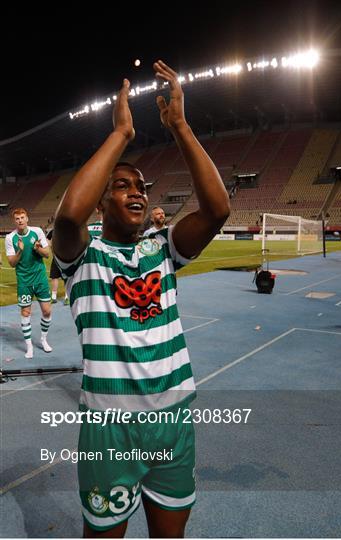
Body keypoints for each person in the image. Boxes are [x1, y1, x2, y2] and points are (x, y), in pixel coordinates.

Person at [53, 60, 230, 538]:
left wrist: (179, 126)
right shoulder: (82, 256)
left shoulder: (162, 248)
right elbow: (68, 219)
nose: (136, 192)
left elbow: (217, 209)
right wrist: (121, 135)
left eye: (141, 187)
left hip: (173, 424)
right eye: (122, 185)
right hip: (111, 430)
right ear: (103, 201)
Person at [5, 208, 53, 358]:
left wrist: (38, 248)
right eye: (17, 218)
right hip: (24, 281)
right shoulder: (10, 238)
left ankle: (44, 340)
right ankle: (29, 347)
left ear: (27, 219)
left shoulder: (37, 232)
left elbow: (47, 254)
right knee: (26, 313)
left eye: (22, 217)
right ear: (15, 221)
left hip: (40, 279)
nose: (20, 220)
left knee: (47, 311)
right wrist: (20, 251)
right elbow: (12, 263)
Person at [46, 227, 69, 305]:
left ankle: (67, 296)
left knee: (66, 277)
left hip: (67, 258)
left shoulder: (70, 230)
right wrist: (50, 246)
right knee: (54, 276)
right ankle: (54, 296)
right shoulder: (53, 231)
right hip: (57, 257)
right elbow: (47, 239)